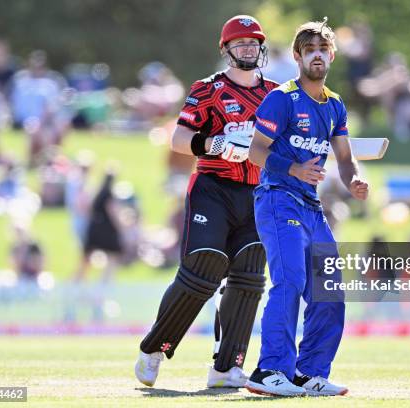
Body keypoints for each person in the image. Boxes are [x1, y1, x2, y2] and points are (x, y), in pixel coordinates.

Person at [135, 15, 278, 389]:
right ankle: (154, 348)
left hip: (256, 193)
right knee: (203, 269)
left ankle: (226, 366)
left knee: (248, 277)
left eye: (253, 42)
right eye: (240, 42)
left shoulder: (278, 95)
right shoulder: (209, 89)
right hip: (213, 188)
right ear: (226, 49)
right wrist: (213, 145)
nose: (247, 48)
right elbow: (179, 138)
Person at [244, 18, 368, 397]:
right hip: (279, 199)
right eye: (309, 49)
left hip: (312, 207)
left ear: (331, 56)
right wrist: (295, 167)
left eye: (322, 49)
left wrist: (354, 180)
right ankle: (269, 371)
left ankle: (309, 373)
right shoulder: (282, 98)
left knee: (329, 289)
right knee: (292, 281)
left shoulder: (335, 106)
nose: (317, 54)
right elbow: (255, 152)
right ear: (298, 56)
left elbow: (345, 159)